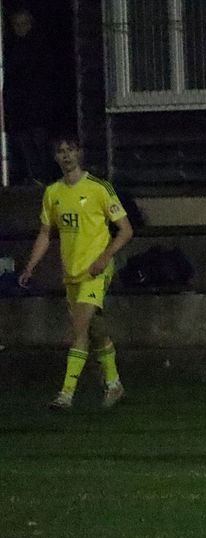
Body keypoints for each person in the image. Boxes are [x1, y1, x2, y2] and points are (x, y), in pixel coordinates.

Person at [18, 137, 133, 409]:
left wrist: (104, 258)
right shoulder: (53, 193)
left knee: (79, 328)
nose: (66, 156)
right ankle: (114, 384)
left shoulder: (98, 188)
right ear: (55, 157)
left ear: (79, 153)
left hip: (96, 270)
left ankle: (66, 394)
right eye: (61, 151)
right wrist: (30, 266)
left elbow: (126, 230)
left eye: (70, 150)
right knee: (96, 329)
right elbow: (46, 232)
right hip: (72, 272)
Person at [4, 8, 56, 184]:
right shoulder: (11, 48)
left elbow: (46, 77)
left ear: (30, 24)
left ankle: (45, 177)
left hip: (38, 106)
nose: (20, 28)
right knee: (24, 143)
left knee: (40, 142)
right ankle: (33, 177)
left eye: (24, 24)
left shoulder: (40, 46)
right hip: (20, 107)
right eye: (17, 25)